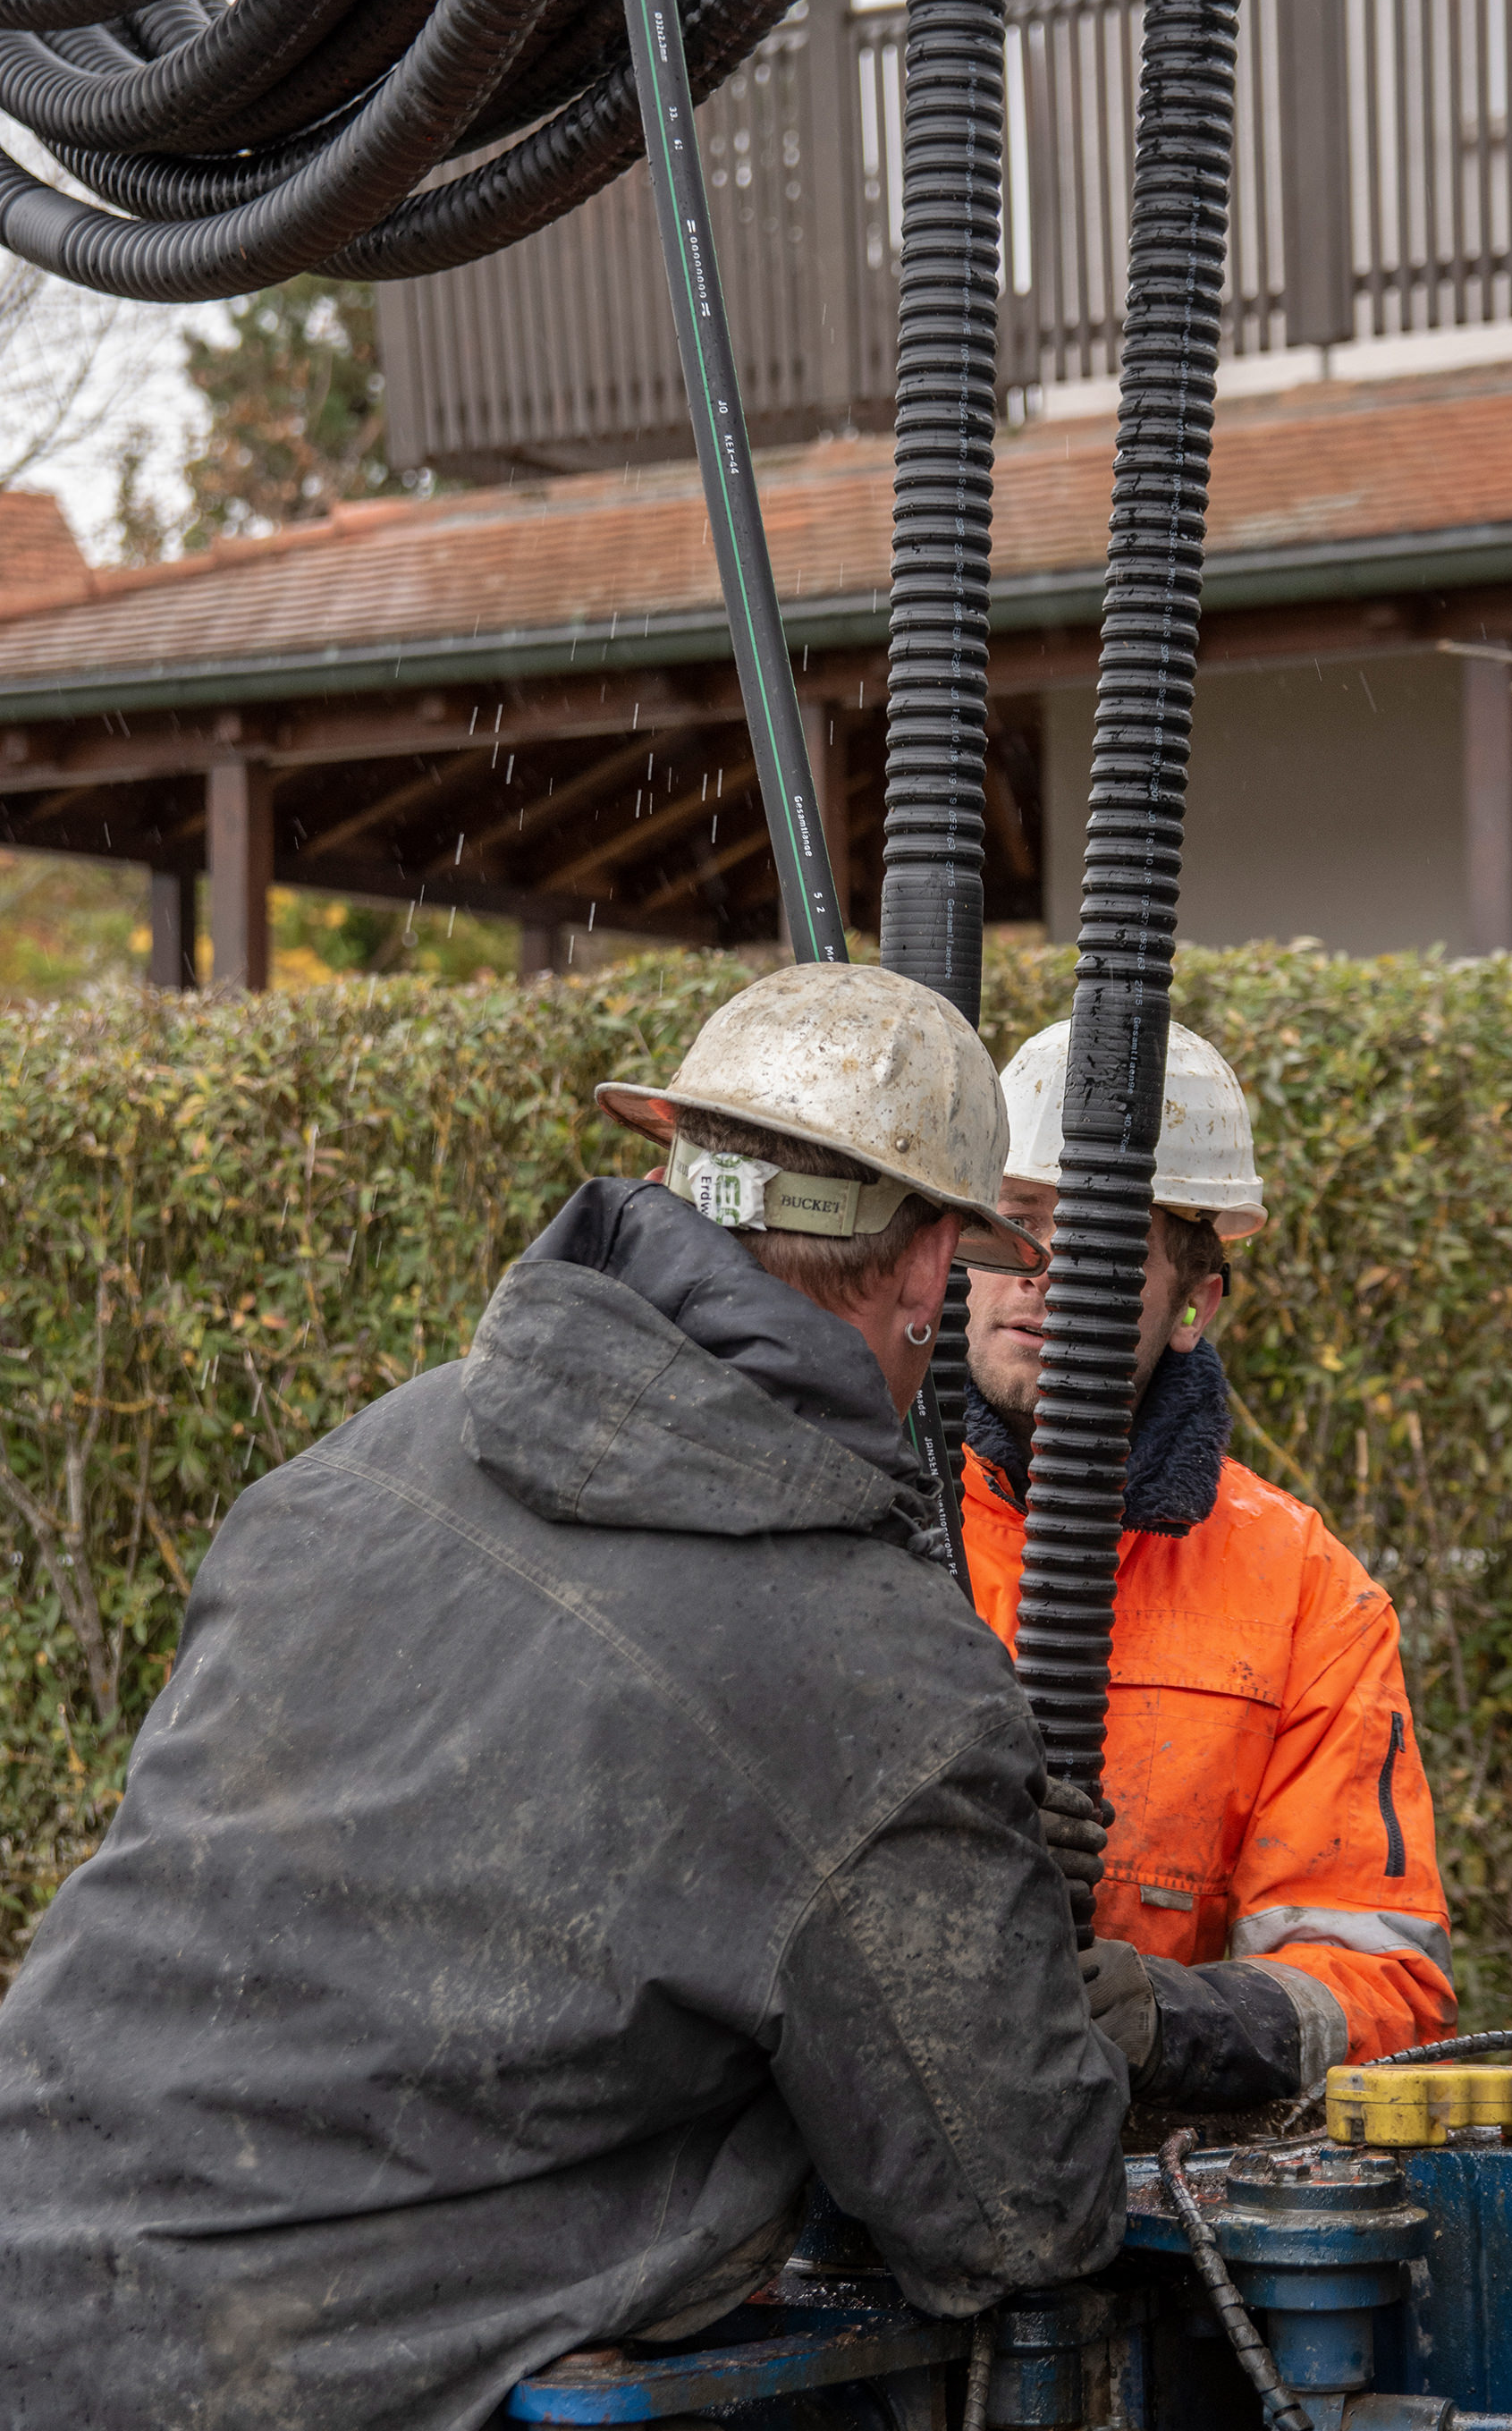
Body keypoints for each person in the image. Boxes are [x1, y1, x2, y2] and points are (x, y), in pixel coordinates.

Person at [0, 964, 1128, 2431]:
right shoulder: (874, 1673)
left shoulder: (352, 1468)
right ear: (926, 1270)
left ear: (675, 1176)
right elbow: (1018, 2212)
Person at [963, 1020, 1455, 2113]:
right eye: (1016, 1225)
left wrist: (1179, 2023)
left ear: (1195, 1301)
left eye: (1098, 1240)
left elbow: (1379, 1977)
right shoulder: (859, 1519)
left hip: (1139, 2186)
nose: (1039, 1277)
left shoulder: (1299, 1589)